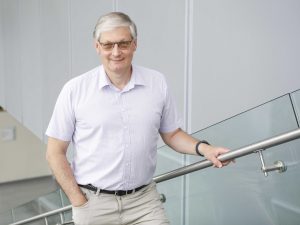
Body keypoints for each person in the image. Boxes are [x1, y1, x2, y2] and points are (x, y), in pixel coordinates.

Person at [46, 12, 232, 225]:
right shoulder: (74, 90)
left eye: (123, 43)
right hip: (93, 205)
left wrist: (205, 149)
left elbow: (172, 134)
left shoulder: (157, 82)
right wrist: (78, 200)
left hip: (144, 202)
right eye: (108, 45)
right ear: (97, 47)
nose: (116, 52)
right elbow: (54, 153)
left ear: (134, 44)